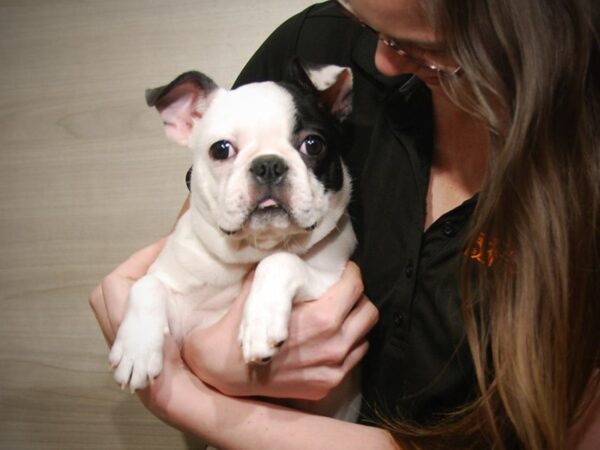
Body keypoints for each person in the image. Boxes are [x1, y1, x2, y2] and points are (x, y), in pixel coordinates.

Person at [90, 0, 600, 448]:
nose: (375, 60)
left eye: (418, 46)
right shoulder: (312, 44)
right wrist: (200, 353)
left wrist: (184, 395)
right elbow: (201, 242)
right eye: (363, 22)